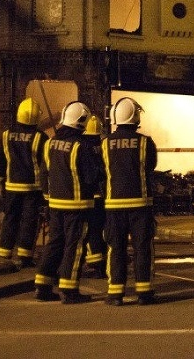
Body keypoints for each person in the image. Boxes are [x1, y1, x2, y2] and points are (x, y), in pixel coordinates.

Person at [34, 101, 103, 304]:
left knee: (55, 243)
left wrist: (47, 199)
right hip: (78, 206)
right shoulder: (81, 147)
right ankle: (69, 289)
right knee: (75, 246)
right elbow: (91, 177)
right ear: (81, 121)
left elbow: (44, 173)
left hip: (55, 204)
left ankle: (42, 286)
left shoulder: (50, 143)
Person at [102, 97, 159, 306]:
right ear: (135, 117)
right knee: (142, 247)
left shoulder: (105, 143)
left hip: (114, 206)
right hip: (140, 205)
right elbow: (150, 167)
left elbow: (103, 172)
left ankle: (115, 293)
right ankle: (144, 292)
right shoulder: (145, 143)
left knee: (115, 248)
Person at [0, 98, 49, 268]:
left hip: (11, 186)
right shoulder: (41, 137)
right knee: (29, 221)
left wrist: (0, 181)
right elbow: (45, 164)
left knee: (10, 218)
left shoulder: (6, 135)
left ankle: (4, 252)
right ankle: (25, 256)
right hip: (33, 188)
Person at [81, 115, 108, 279]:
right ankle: (101, 263)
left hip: (88, 195)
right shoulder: (103, 146)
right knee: (101, 229)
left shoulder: (82, 147)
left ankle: (95, 262)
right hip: (103, 196)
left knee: (90, 231)